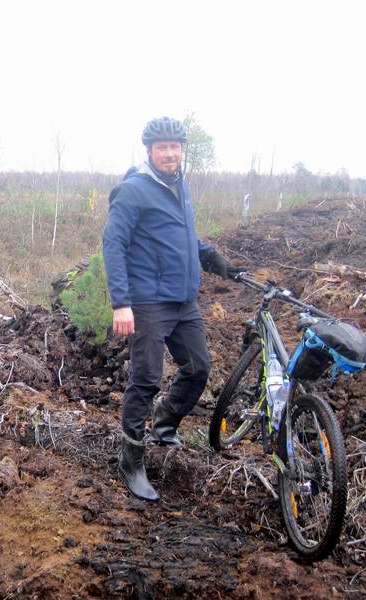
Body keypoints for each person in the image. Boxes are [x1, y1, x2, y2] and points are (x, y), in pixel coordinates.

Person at [102, 116, 244, 502]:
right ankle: (130, 458)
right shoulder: (133, 191)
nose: (169, 153)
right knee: (147, 378)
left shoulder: (179, 184)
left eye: (175, 147)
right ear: (149, 151)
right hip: (147, 301)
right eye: (162, 147)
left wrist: (218, 262)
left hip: (183, 300)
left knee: (198, 368)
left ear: (182, 151)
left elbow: (184, 235)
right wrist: (121, 303)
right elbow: (113, 245)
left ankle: (165, 424)